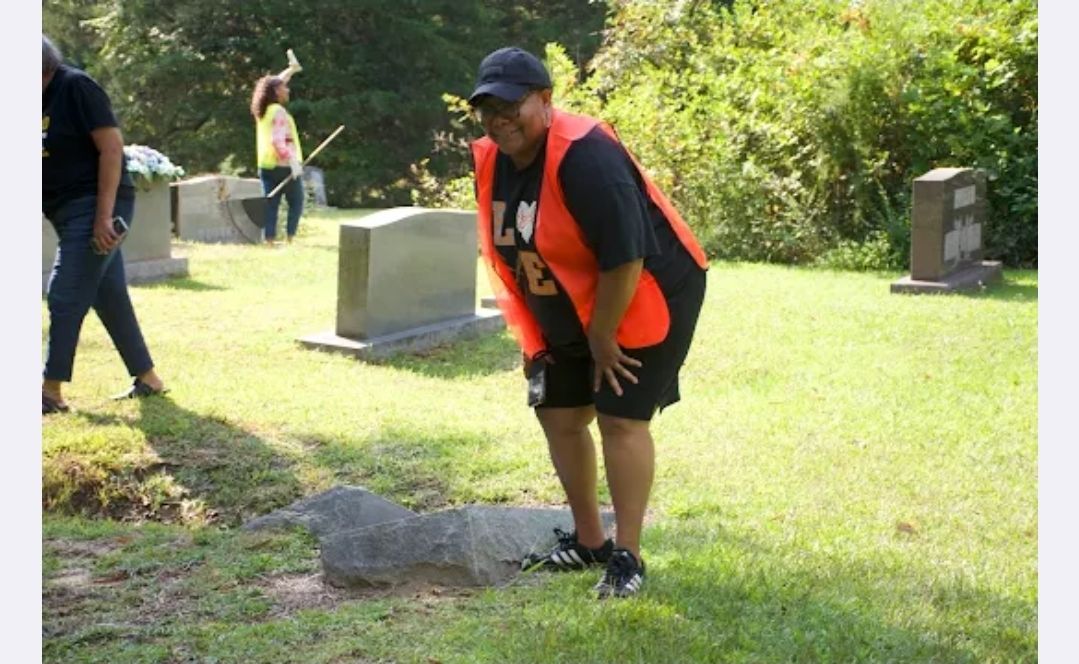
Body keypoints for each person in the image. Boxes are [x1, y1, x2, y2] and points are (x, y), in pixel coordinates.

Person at [468, 47, 709, 599]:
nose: (499, 119)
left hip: (644, 289)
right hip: (567, 295)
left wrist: (602, 337)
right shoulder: (491, 156)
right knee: (557, 412)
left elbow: (626, 257)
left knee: (620, 415)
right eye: (488, 108)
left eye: (511, 105)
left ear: (546, 100)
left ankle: (628, 556)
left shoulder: (588, 157)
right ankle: (590, 540)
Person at [41, 35, 168, 414]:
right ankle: (148, 379)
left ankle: (49, 392)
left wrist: (102, 217)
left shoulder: (75, 87)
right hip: (63, 211)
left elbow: (112, 149)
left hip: (98, 204)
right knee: (109, 296)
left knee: (64, 293)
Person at [250, 56, 304, 245]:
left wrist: (291, 70)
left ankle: (270, 240)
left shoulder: (263, 111)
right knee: (296, 202)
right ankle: (290, 238)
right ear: (276, 92)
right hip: (283, 165)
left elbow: (274, 83)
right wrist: (292, 161)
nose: (287, 89)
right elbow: (278, 141)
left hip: (266, 165)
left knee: (271, 204)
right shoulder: (279, 112)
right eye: (284, 88)